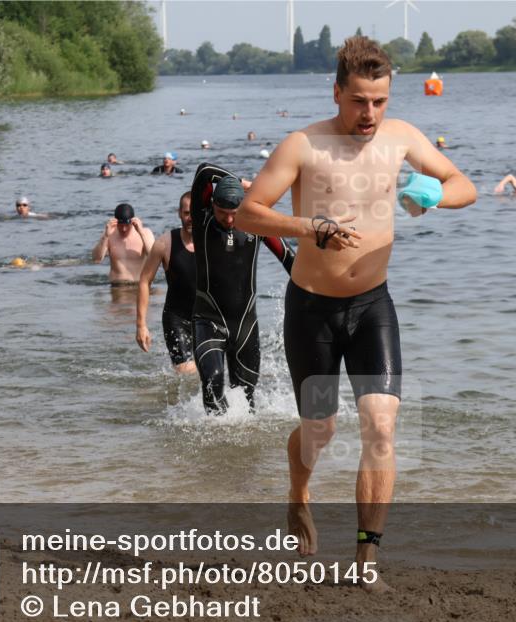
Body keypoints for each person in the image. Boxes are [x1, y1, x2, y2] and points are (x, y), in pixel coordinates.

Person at [235, 36, 476, 591]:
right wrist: (309, 227)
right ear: (337, 91)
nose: (369, 113)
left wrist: (433, 195)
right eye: (359, 101)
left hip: (373, 306)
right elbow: (248, 214)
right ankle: (299, 492)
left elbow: (465, 186)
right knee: (318, 429)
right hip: (312, 311)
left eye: (380, 101)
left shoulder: (403, 139)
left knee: (382, 426)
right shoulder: (303, 145)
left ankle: (366, 563)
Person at [189, 163, 295, 414]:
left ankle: (242, 454)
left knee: (247, 401)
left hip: (246, 326)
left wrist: (315, 295)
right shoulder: (201, 221)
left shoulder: (256, 224)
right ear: (212, 205)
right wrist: (243, 183)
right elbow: (205, 170)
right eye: (222, 212)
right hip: (208, 321)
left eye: (234, 213)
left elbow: (289, 258)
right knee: (213, 382)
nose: (228, 219)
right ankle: (211, 448)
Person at [136, 192, 196, 374]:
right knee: (184, 371)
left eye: (195, 212)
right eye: (186, 213)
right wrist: (141, 325)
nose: (191, 218)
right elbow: (145, 280)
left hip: (207, 317)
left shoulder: (213, 241)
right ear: (179, 213)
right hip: (176, 318)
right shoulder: (164, 243)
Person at [92, 203, 156, 285]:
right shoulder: (109, 234)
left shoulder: (146, 233)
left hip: (139, 285)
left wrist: (141, 233)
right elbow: (96, 259)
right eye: (121, 225)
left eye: (127, 225)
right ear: (115, 222)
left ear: (133, 222)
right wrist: (105, 236)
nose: (124, 229)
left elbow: (154, 257)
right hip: (116, 286)